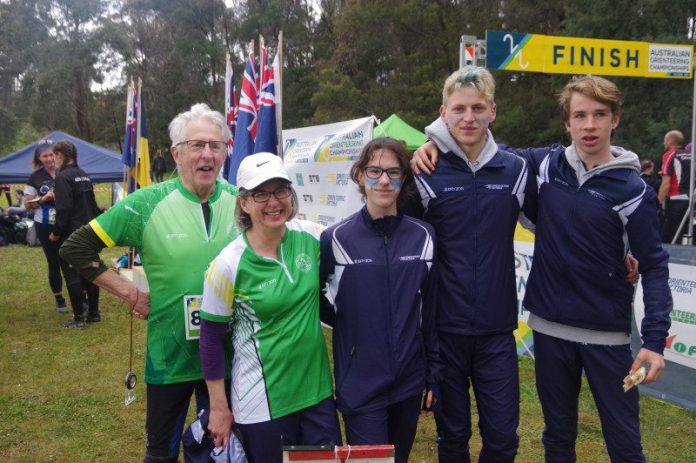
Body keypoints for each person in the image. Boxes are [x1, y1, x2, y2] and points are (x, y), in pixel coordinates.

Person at [414, 75, 671, 462]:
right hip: (549, 332)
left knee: (624, 442)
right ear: (566, 123)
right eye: (579, 115)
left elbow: (653, 265)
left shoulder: (631, 189)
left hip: (608, 337)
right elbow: (474, 142)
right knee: (556, 438)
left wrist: (653, 340)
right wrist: (432, 142)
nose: (589, 125)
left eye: (599, 115)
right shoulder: (545, 164)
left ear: (614, 119)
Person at [60, 103, 239, 461]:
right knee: (161, 453)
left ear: (225, 152)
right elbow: (76, 247)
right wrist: (131, 293)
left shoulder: (240, 202)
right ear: (176, 153)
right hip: (169, 355)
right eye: (196, 145)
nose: (207, 154)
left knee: (224, 450)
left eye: (216, 146)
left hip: (227, 356)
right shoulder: (146, 203)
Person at [412, 66, 536, 462]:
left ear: (493, 112)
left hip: (497, 333)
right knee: (453, 438)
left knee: (502, 439)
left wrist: (621, 250)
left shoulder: (516, 170)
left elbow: (560, 220)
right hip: (443, 331)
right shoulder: (424, 170)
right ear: (443, 112)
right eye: (459, 109)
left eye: (478, 108)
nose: (468, 118)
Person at [199, 152, 341, 463]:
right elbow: (210, 340)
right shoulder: (227, 265)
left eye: (280, 190)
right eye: (260, 193)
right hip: (261, 402)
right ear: (244, 203)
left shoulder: (314, 237)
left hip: (317, 394)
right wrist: (219, 407)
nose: (273, 202)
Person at [319, 138, 442, 463]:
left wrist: (433, 375)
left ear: (404, 178)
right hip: (361, 382)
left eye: (393, 172)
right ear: (360, 175)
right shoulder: (336, 239)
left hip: (409, 382)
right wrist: (355, 329)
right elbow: (321, 303)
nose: (384, 180)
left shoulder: (425, 236)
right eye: (375, 171)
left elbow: (428, 312)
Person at [48, 141, 102, 327]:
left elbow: (63, 209)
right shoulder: (84, 175)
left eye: (54, 156)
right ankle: (94, 313)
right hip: (90, 231)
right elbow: (93, 206)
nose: (53, 160)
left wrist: (56, 233)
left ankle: (79, 318)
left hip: (72, 234)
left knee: (72, 275)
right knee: (90, 272)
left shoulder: (62, 177)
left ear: (61, 156)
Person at [23, 139, 68, 313]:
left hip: (65, 222)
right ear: (39, 158)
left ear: (57, 155)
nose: (49, 159)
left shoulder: (65, 171)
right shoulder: (35, 177)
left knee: (71, 259)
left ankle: (80, 296)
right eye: (45, 156)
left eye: (51, 155)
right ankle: (59, 298)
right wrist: (44, 199)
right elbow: (27, 205)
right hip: (44, 224)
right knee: (54, 261)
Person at [658, 142, 692, 243]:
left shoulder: (670, 155)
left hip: (676, 198)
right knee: (685, 233)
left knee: (669, 236)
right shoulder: (691, 155)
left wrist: (658, 203)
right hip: (690, 199)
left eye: (664, 140)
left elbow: (666, 183)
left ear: (670, 142)